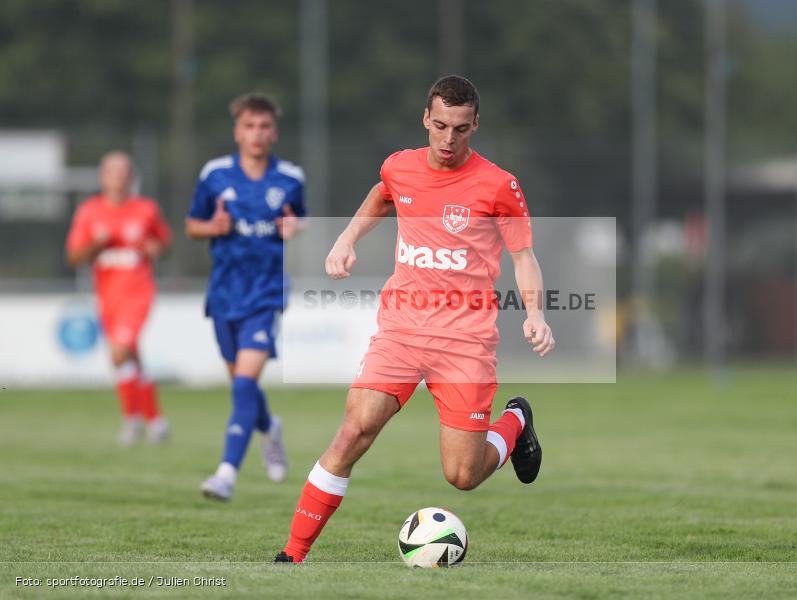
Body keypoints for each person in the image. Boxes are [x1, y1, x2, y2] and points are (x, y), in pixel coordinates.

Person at [274, 75, 555, 563]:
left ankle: (515, 420)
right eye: (441, 125)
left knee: (462, 476)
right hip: (401, 331)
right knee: (352, 432)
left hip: (465, 341)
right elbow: (383, 195)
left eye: (461, 129)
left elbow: (524, 257)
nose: (449, 140)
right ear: (426, 118)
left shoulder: (499, 186)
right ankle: (292, 555)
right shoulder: (400, 167)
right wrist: (346, 240)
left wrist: (535, 313)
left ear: (475, 126)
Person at [186, 93, 306, 501]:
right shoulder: (215, 174)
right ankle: (269, 427)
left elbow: (297, 222)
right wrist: (213, 227)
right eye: (250, 126)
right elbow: (191, 225)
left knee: (242, 385)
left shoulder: (290, 177)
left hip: (265, 293)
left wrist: (293, 232)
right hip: (224, 293)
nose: (257, 133)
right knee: (243, 385)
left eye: (265, 126)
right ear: (238, 131)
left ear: (274, 132)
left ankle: (225, 474)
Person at [66, 151, 172, 445]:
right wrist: (95, 244)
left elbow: (163, 241)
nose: (119, 176)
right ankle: (156, 420)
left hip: (138, 293)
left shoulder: (146, 209)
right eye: (113, 170)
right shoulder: (89, 212)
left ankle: (131, 420)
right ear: (102, 177)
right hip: (107, 296)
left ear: (132, 177)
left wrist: (155, 248)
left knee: (118, 352)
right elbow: (74, 257)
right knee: (131, 357)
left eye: (125, 170)